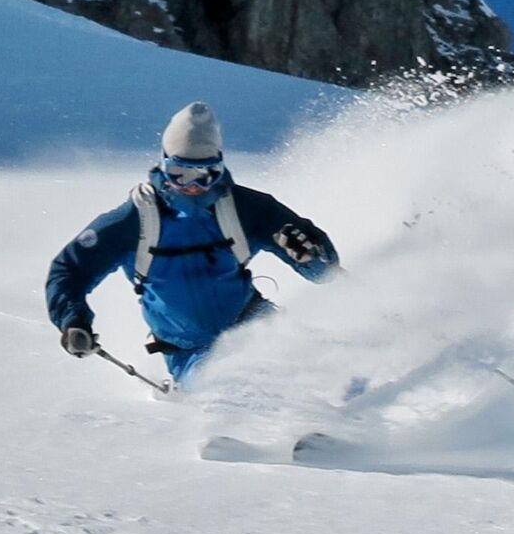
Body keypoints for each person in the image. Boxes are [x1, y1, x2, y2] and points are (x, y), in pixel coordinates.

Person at [46, 102, 340, 383]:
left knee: (326, 366)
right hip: (190, 353)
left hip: (256, 325)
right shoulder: (135, 220)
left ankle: (340, 426)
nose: (194, 187)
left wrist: (311, 257)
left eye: (206, 175)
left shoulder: (246, 208)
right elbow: (69, 270)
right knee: (233, 383)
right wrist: (73, 322)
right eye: (181, 174)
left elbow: (327, 273)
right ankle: (247, 430)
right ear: (164, 165)